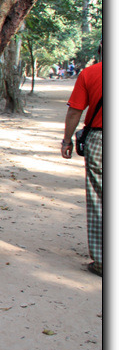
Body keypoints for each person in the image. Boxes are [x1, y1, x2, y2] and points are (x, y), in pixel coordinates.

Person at [61, 40, 102, 277]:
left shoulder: (90, 74)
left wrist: (67, 140)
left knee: (98, 198)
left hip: (99, 140)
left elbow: (75, 110)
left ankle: (103, 261)